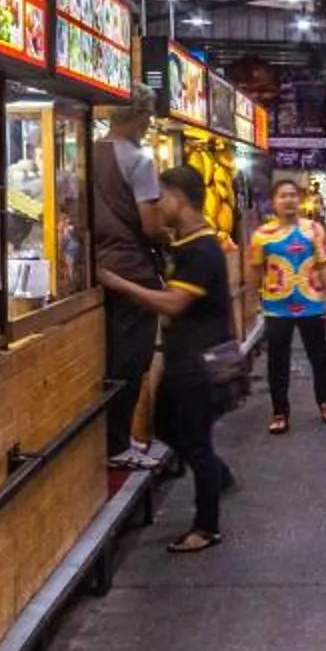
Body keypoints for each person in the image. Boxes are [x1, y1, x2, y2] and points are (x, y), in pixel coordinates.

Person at [104, 164, 236, 554]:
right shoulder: (187, 241)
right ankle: (217, 475)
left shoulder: (201, 250)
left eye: (161, 197)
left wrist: (118, 283)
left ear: (179, 199)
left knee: (196, 444)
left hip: (198, 361)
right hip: (186, 357)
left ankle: (206, 526)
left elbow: (175, 303)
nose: (156, 205)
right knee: (165, 427)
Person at [88, 105, 169, 471]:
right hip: (131, 269)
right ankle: (118, 444)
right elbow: (150, 226)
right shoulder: (139, 160)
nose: (150, 124)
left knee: (104, 357)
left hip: (92, 268)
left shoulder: (87, 150)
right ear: (137, 117)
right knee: (131, 360)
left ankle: (109, 441)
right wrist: (171, 237)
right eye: (149, 117)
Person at [245, 175, 326, 434]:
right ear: (273, 202)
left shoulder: (314, 230)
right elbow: (253, 271)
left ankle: (325, 402)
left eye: (293, 195)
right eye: (283, 196)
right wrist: (251, 302)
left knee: (319, 356)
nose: (289, 200)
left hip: (313, 304)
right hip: (277, 307)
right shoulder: (262, 235)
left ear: (300, 200)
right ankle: (279, 412)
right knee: (277, 360)